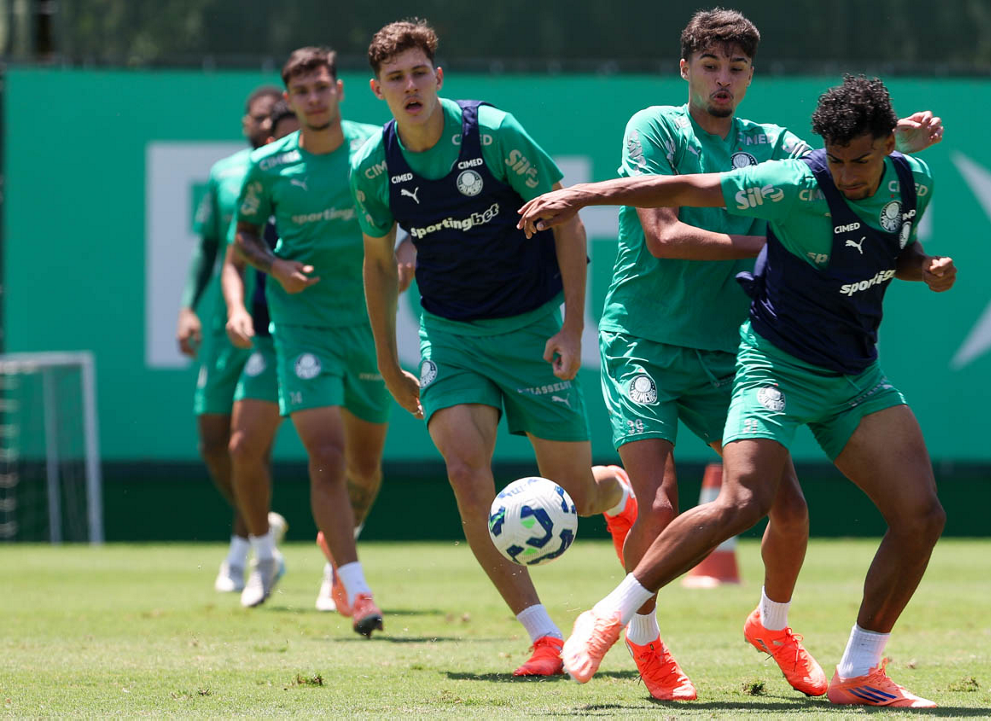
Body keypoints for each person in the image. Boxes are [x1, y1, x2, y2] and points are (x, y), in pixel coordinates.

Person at [520, 74, 954, 709]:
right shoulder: (797, 182)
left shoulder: (915, 180)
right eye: (835, 159)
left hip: (855, 378)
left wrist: (925, 268)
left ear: (889, 144)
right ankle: (610, 615)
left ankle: (859, 669)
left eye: (860, 160)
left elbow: (889, 250)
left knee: (921, 516)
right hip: (773, 367)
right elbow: (687, 188)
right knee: (744, 500)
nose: (847, 174)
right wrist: (585, 195)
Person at [350, 19, 636, 674]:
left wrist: (571, 329)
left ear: (438, 77)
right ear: (377, 90)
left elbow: (566, 214)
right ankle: (542, 635)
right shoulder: (374, 168)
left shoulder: (494, 134)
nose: (411, 86)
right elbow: (374, 265)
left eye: (420, 72)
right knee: (463, 469)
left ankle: (613, 493)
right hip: (450, 337)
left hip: (533, 328)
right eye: (396, 78)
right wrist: (389, 363)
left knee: (575, 497)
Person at [225, 101, 416, 610]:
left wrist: (406, 253)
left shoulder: (361, 159)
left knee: (364, 466)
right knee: (249, 446)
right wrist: (236, 307)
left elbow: (414, 212)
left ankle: (336, 550)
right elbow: (232, 252)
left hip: (356, 326)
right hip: (285, 332)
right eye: (279, 137)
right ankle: (267, 555)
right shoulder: (263, 177)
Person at [178, 85, 286, 594]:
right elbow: (209, 250)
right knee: (213, 443)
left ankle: (247, 548)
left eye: (275, 117)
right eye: (260, 117)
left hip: (274, 328)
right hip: (227, 327)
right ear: (247, 123)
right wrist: (186, 308)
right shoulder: (225, 174)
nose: (267, 125)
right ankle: (259, 523)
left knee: (249, 444)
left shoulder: (291, 172)